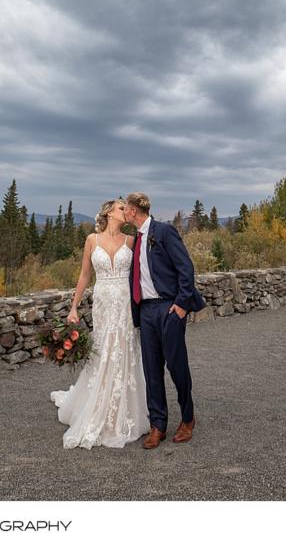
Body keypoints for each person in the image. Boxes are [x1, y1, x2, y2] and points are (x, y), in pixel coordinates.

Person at [50, 199, 149, 448]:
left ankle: (124, 409)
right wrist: (73, 307)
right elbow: (85, 275)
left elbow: (142, 272)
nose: (125, 211)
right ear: (108, 213)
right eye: (120, 208)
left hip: (125, 304)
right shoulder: (92, 240)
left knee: (125, 348)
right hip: (103, 303)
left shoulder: (131, 240)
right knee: (104, 348)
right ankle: (96, 405)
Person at [123, 192, 206, 449]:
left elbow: (186, 268)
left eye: (126, 208)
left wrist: (181, 306)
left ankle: (188, 418)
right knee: (151, 370)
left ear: (135, 210)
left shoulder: (164, 231)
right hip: (146, 311)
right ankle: (157, 425)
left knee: (176, 366)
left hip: (168, 309)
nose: (124, 212)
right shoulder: (135, 240)